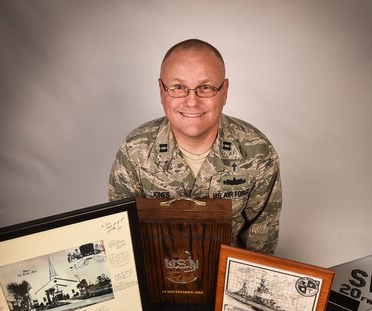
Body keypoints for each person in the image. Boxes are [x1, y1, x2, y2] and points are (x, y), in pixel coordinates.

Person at [108, 39, 282, 255]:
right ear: (162, 91)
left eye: (206, 88)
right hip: (154, 280)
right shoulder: (134, 151)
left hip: (227, 281)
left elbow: (260, 248)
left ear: (224, 91)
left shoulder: (257, 152)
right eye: (178, 87)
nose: (192, 101)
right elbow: (121, 240)